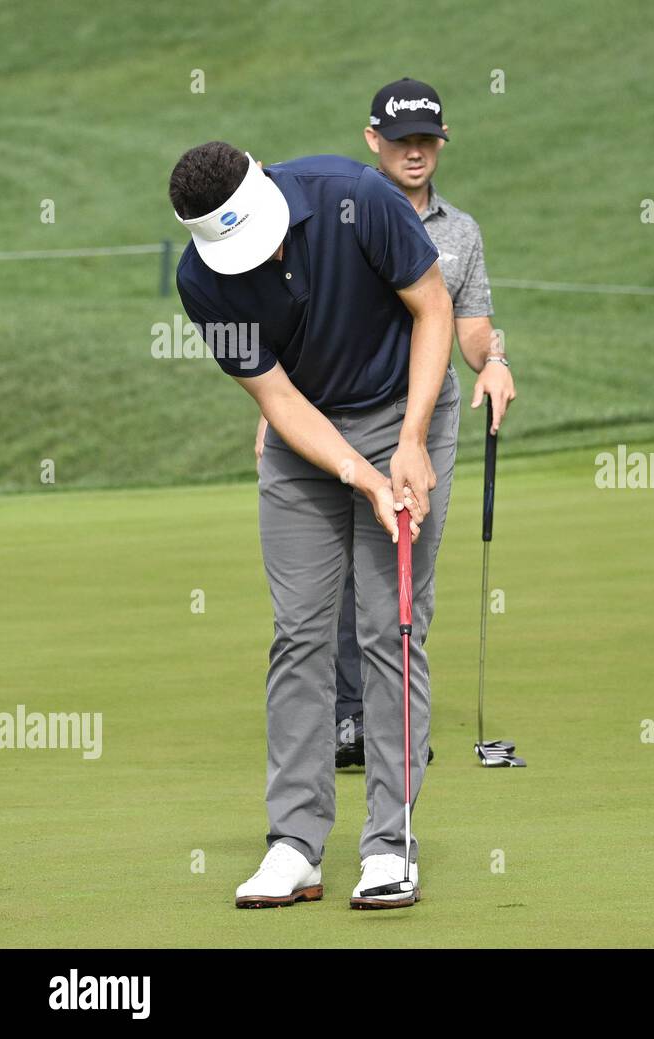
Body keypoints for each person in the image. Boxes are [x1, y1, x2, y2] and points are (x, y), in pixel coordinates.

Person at [171, 141, 455, 909]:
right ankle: (294, 844)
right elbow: (280, 402)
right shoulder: (201, 280)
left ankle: (389, 845)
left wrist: (408, 443)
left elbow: (434, 307)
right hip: (305, 444)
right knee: (299, 632)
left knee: (387, 628)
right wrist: (361, 476)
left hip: (405, 407)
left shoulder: (355, 193)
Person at [254, 78, 516, 769]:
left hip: (421, 420)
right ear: (374, 141)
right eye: (402, 140)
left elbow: (470, 328)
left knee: (400, 576)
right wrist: (274, 419)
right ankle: (349, 720)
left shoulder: (461, 232)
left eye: (428, 138)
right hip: (333, 415)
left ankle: (390, 728)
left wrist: (494, 360)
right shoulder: (337, 214)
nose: (416, 151)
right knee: (328, 581)